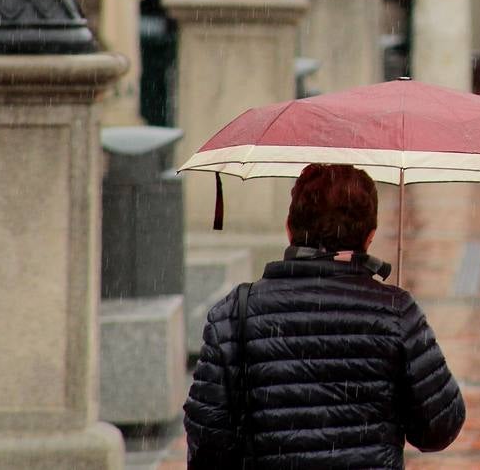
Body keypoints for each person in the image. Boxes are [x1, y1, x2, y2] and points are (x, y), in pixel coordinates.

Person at [184, 163, 465, 468]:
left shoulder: (234, 314)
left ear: (289, 229)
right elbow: (439, 428)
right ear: (369, 237)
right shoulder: (397, 312)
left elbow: (207, 447)